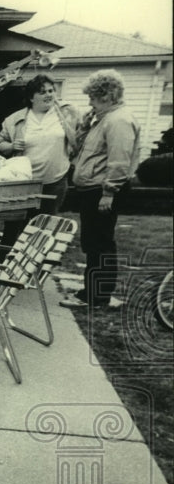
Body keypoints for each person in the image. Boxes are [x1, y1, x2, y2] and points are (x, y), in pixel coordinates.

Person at [59, 69, 140, 309]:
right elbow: (83, 149)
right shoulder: (104, 118)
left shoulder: (119, 120)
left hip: (101, 190)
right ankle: (93, 292)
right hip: (93, 188)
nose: (89, 102)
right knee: (94, 242)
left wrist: (109, 192)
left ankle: (96, 297)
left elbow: (119, 160)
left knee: (100, 242)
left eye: (93, 98)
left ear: (107, 96)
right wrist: (85, 125)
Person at [0, 74, 81, 242]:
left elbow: (82, 137)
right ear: (31, 97)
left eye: (51, 90)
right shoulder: (15, 119)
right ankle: (4, 266)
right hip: (23, 184)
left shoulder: (67, 114)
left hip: (55, 182)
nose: (49, 95)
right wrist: (11, 146)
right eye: (42, 92)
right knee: (15, 229)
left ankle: (36, 268)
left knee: (45, 231)